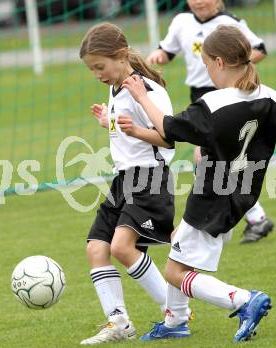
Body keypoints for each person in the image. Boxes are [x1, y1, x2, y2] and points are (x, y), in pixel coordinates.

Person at [119, 25, 276, 342]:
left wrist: (142, 96)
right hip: (243, 195)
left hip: (212, 195)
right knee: (178, 244)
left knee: (175, 271)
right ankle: (175, 322)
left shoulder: (213, 105)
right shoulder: (269, 97)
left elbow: (167, 129)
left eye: (206, 63)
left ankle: (242, 300)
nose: (206, 70)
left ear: (220, 62)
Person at [79, 22, 186, 345]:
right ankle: (119, 321)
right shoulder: (114, 87)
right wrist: (107, 121)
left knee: (122, 247)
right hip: (123, 180)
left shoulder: (149, 91)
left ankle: (174, 313)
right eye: (92, 69)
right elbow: (126, 127)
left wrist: (136, 131)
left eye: (100, 66)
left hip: (150, 179)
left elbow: (168, 140)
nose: (97, 74)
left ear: (121, 55)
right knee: (96, 248)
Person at [146, 0, 274, 244]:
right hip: (200, 96)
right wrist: (158, 56)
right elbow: (168, 51)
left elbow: (260, 49)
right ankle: (253, 218)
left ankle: (217, 219)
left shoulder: (230, 24)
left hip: (228, 95)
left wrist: (233, 67)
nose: (199, 2)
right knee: (215, 161)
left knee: (205, 158)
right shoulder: (181, 22)